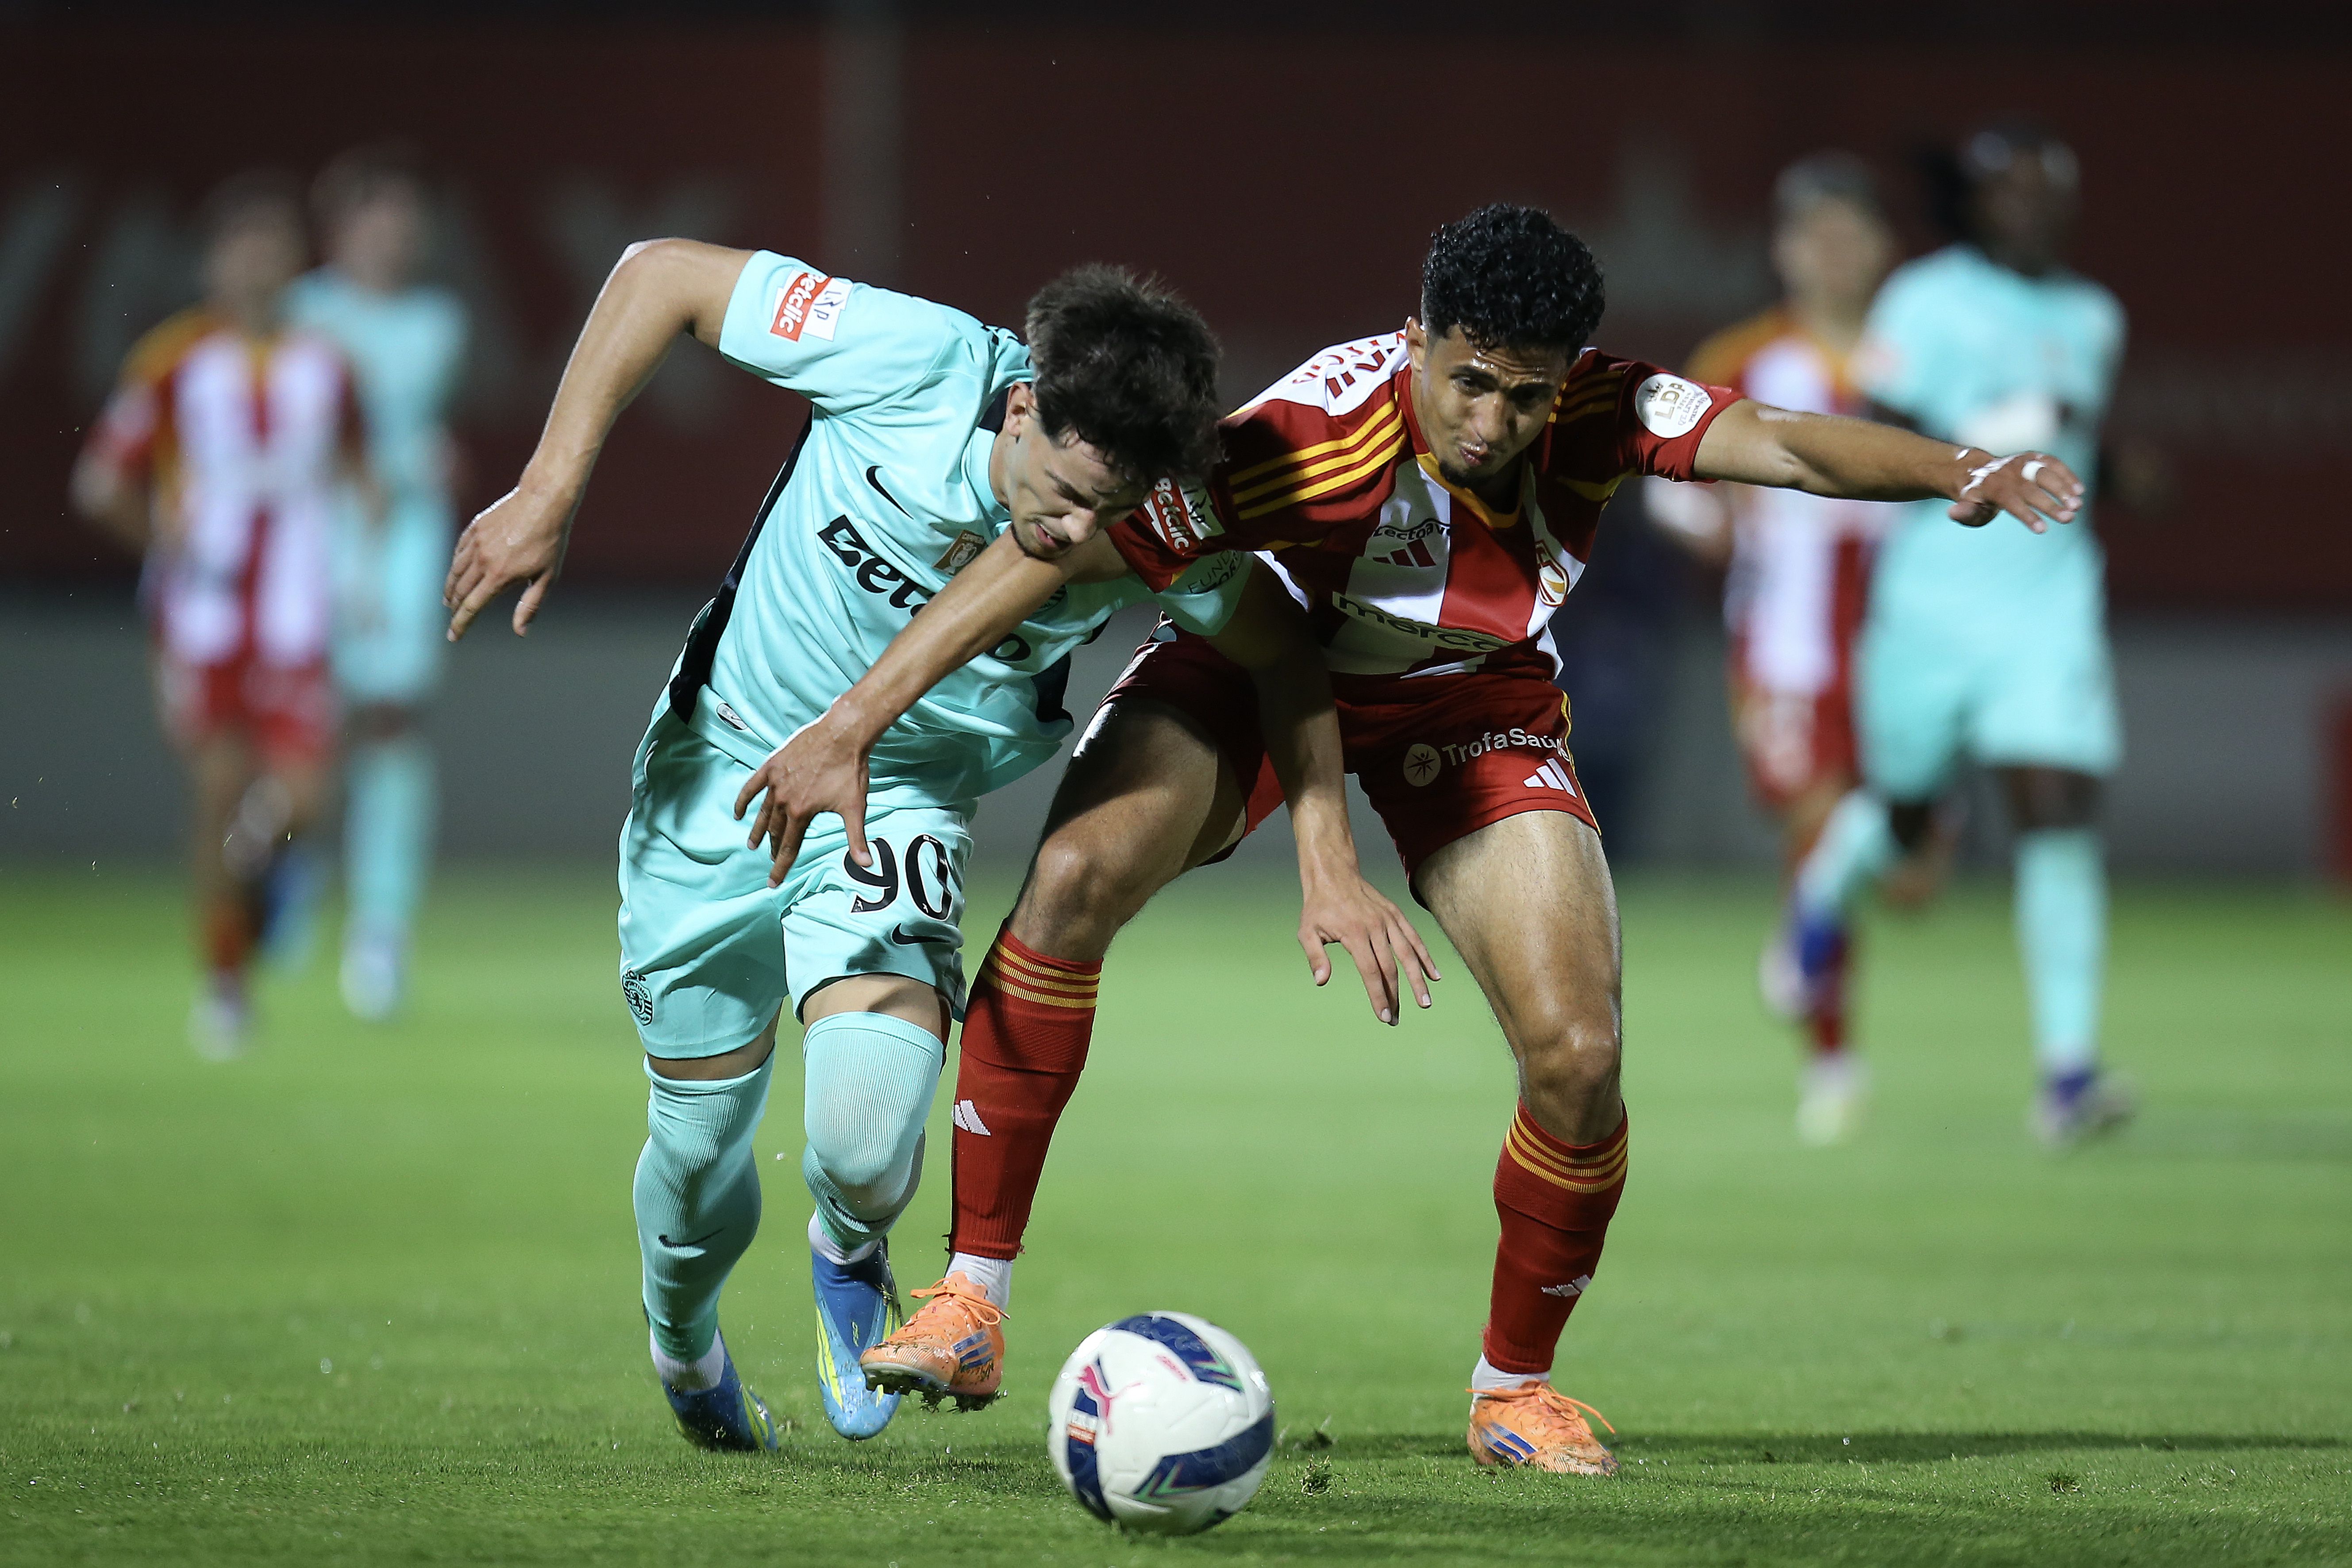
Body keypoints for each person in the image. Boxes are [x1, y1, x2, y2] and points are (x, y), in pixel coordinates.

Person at [753, 204, 2083, 1475]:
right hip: (1256, 675)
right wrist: (854, 723)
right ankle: (969, 1301)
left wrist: (1964, 471)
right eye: (1469, 380)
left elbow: (1787, 445)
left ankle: (1514, 1389)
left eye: (1525, 393)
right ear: (1416, 339)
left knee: (1579, 1054)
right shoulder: (1304, 434)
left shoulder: (1605, 410)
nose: (1492, 421)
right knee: (1073, 879)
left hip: (1472, 704)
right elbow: (1067, 543)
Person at [441, 242, 1430, 1452]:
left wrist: (1327, 856)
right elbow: (659, 277)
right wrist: (549, 487)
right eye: (1061, 489)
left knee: (863, 1140)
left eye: (1106, 513)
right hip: (722, 778)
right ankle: (680, 1333)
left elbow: (1281, 651)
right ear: (1021, 406)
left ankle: (849, 1252)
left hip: (896, 801)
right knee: (696, 1157)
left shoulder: (1156, 521)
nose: (1072, 533)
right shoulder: (908, 360)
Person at [1778, 123, 2134, 1150]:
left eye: (2048, 191)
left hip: (2048, 605)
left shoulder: (2093, 316)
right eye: (2012, 193)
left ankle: (2068, 1073)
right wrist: (2003, 421)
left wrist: (2115, 471)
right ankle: (1824, 886)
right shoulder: (1924, 301)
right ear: (1977, 207)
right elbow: (1875, 425)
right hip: (1930, 607)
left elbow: (2070, 450)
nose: (2033, 210)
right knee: (1906, 827)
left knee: (2056, 810)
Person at [71, 171, 368, 1058]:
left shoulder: (328, 362)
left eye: (275, 247)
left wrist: (369, 566)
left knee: (304, 799)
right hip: (204, 616)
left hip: (299, 612)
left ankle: (257, 881)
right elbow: (99, 483)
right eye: (244, 246)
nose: (260, 264)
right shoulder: (173, 359)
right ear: (213, 262)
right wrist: (172, 546)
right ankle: (226, 981)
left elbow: (361, 474)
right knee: (214, 790)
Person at [1647, 152, 1908, 1144]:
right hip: (1788, 641)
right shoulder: (1744, 357)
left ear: (1884, 247)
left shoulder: (1919, 350)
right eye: (1816, 236)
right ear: (1784, 250)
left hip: (1911, 636)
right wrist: (1709, 522)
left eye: (1853, 234)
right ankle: (1834, 1066)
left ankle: (1808, 925)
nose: (1834, 255)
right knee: (1816, 820)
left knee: (1909, 865)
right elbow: (1669, 482)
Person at [288, 144, 470, 1021]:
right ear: (342, 225)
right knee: (307, 724)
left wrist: (417, 463)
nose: (398, 236)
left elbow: (410, 431)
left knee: (393, 719)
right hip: (314, 528)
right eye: (381, 217)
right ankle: (287, 887)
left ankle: (381, 927)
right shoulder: (302, 314)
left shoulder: (440, 321)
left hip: (402, 531)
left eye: (409, 220)